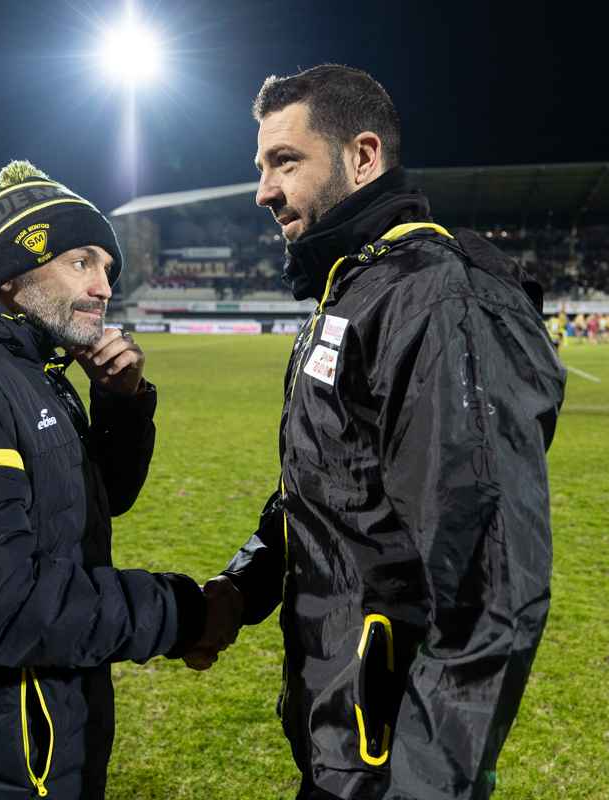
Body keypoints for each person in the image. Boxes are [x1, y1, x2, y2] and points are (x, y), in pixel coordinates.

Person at [185, 65, 566, 799]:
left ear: (363, 157)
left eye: (284, 161)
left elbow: (491, 588)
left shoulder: (436, 299)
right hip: (339, 734)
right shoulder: (357, 290)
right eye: (261, 166)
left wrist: (424, 787)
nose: (263, 190)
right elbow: (334, 486)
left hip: (390, 765)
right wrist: (243, 584)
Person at [0, 161, 229, 800]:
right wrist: (182, 613)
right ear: (13, 271)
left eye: (107, 269)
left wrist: (120, 403)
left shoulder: (26, 367)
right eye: (81, 262)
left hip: (33, 739)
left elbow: (97, 503)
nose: (104, 286)